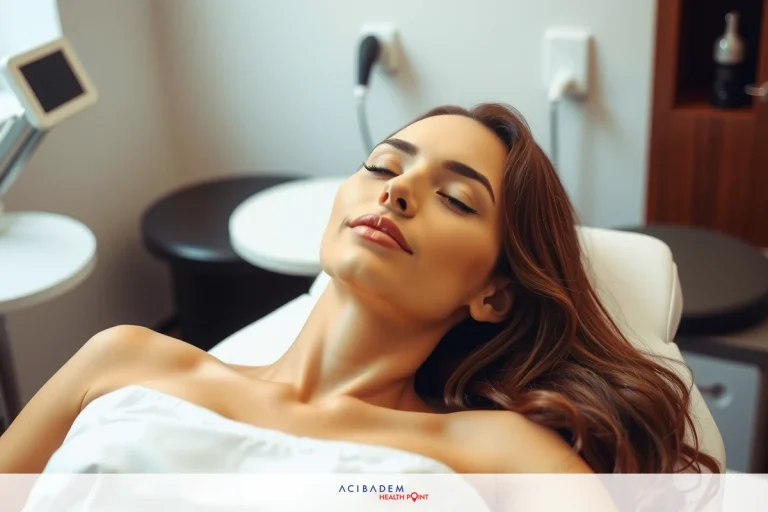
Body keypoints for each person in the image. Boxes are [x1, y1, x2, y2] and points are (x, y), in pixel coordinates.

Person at [0, 103, 720, 475]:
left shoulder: (496, 451)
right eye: (383, 165)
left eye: (459, 200)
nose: (399, 189)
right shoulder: (123, 361)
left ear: (494, 296)